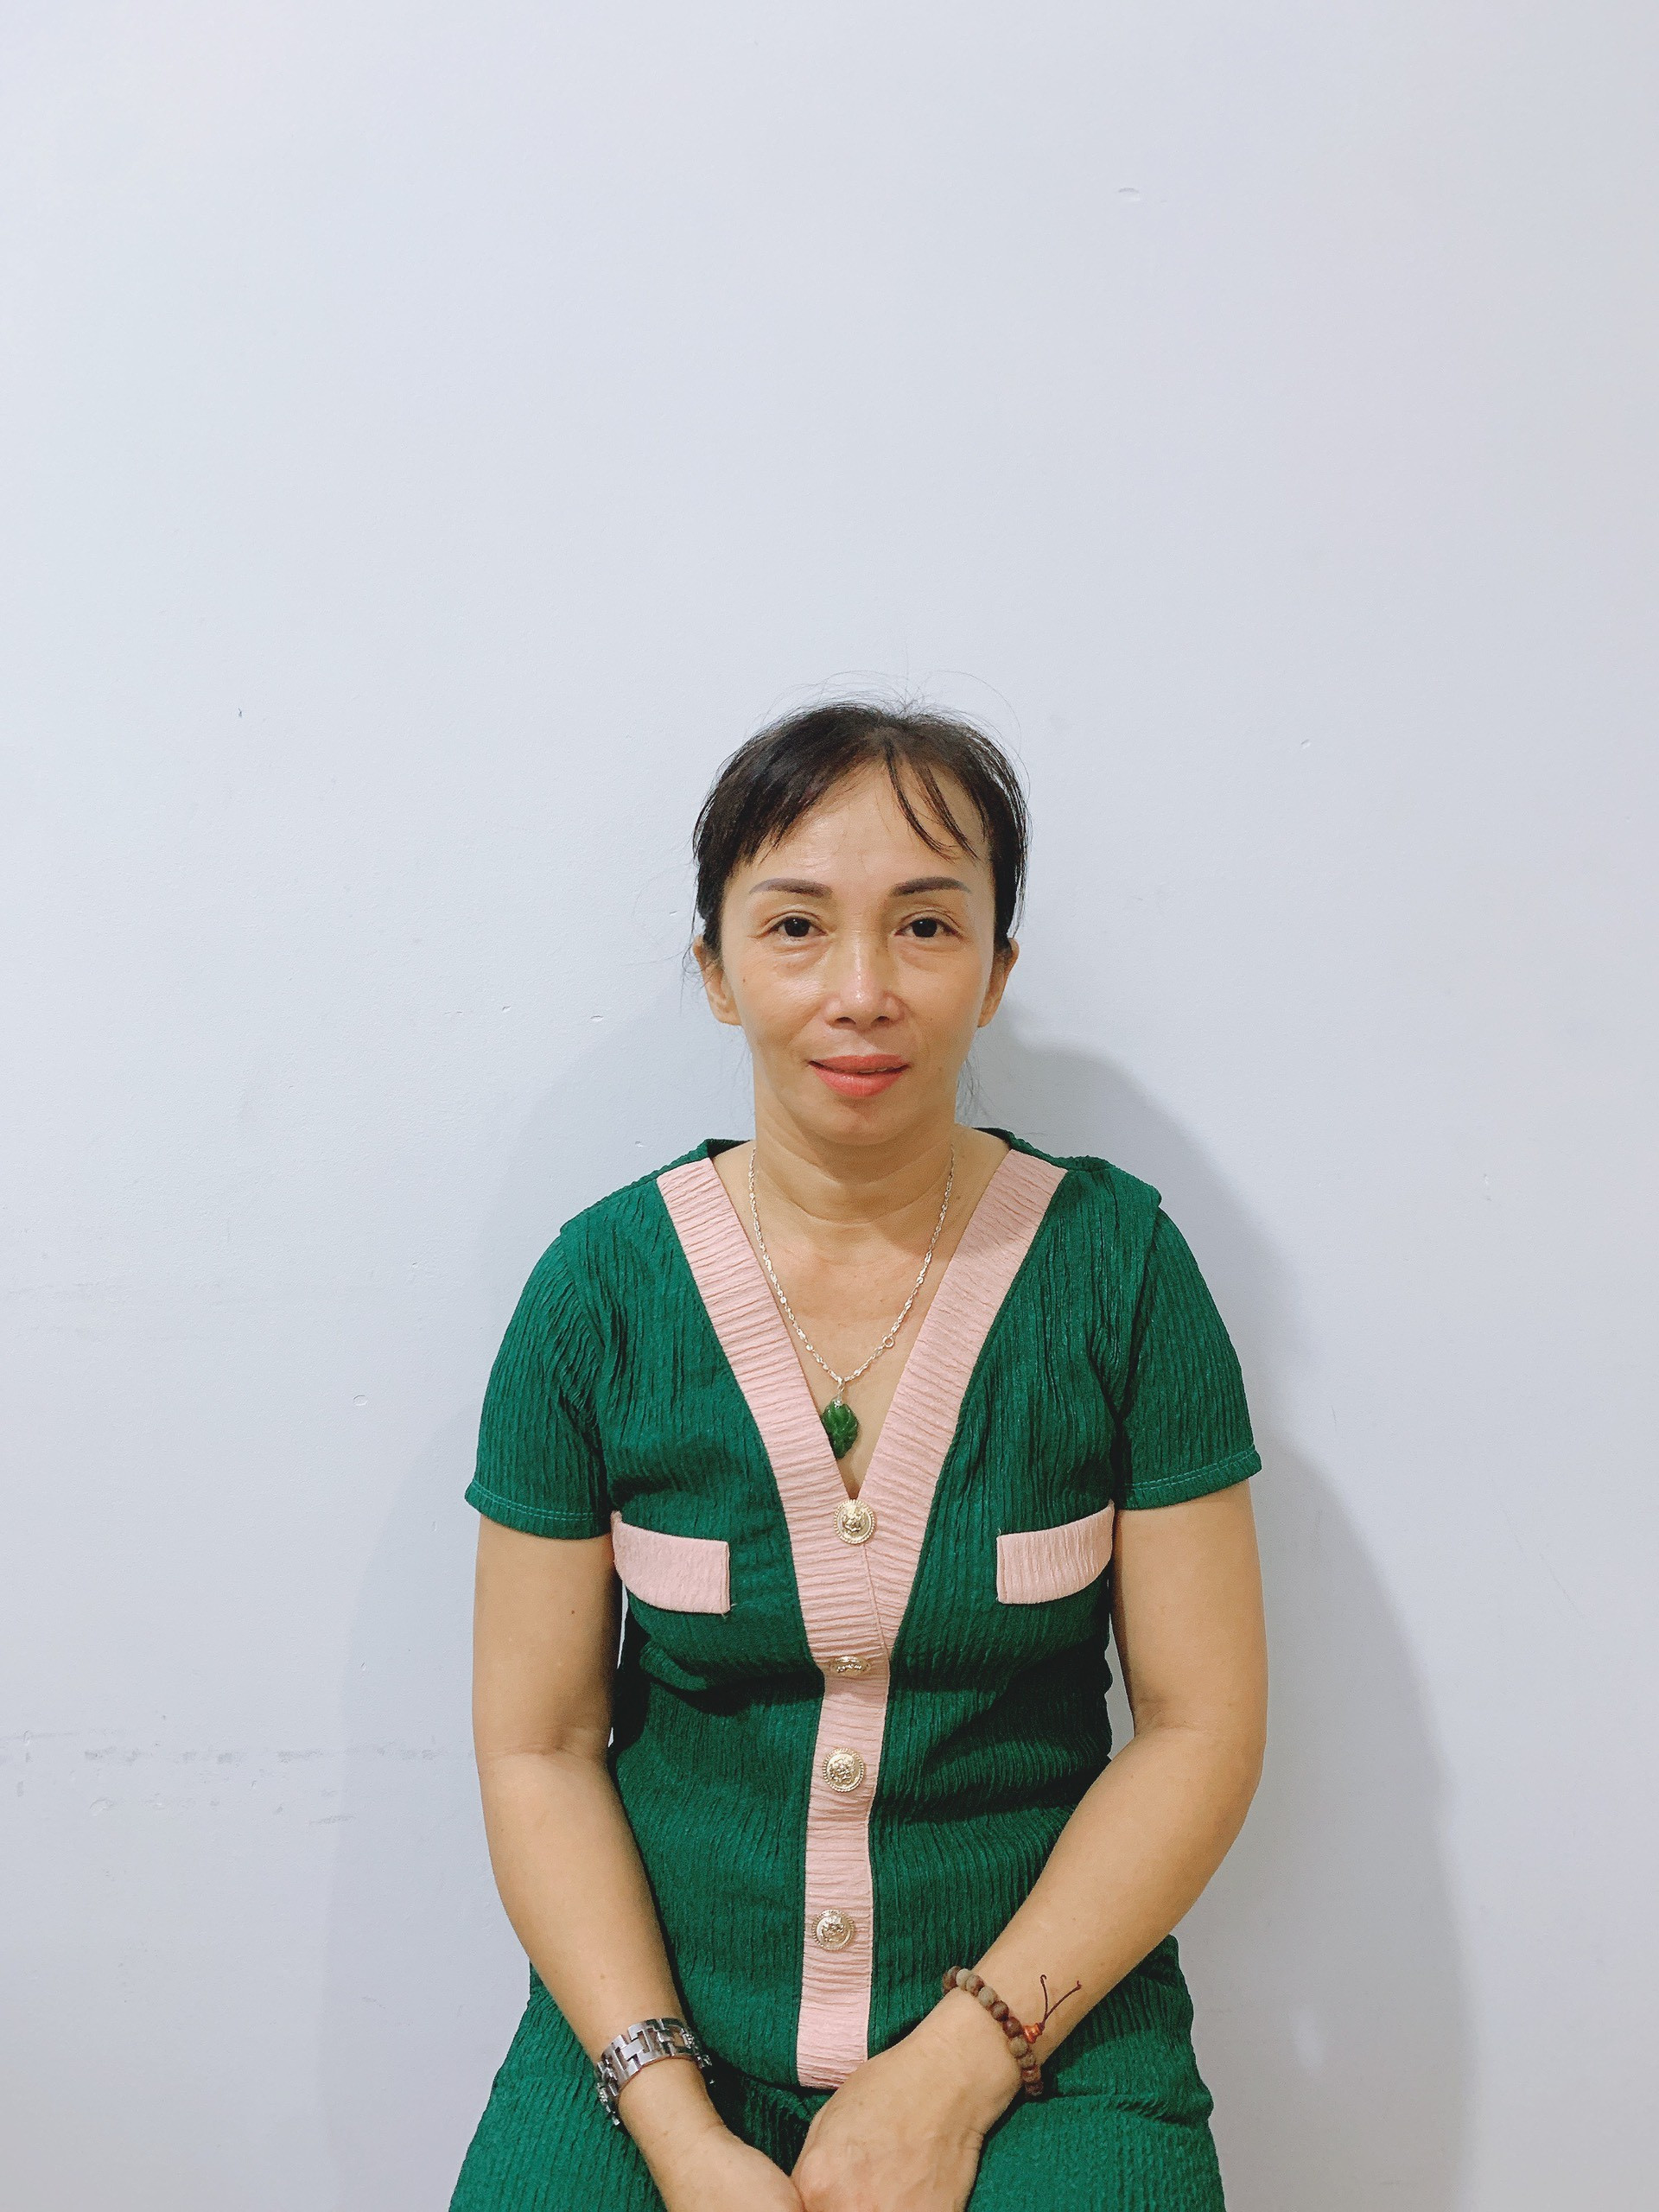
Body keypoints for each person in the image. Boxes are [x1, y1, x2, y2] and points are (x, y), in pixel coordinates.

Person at [448, 702, 1268, 2211]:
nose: (863, 991)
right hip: (654, 2032)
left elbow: (1198, 1724)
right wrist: (677, 2129)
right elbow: (539, 1746)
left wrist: (960, 2068)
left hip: (1044, 2027)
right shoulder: (596, 1296)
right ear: (715, 969)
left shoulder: (1123, 1275)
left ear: (997, 970)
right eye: (796, 926)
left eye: (927, 925)